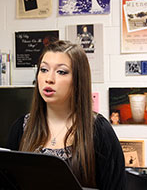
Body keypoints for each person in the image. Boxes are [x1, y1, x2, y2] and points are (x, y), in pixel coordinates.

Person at [7, 40, 126, 189]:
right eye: (43, 69)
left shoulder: (99, 131)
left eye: (61, 72)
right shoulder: (21, 128)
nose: (49, 79)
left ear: (77, 80)